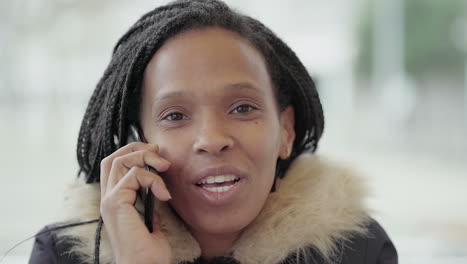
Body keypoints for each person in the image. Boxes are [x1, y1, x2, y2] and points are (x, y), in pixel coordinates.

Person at [29, 0, 398, 263]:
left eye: (242, 108)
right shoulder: (62, 254)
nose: (211, 139)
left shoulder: (358, 251)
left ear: (285, 131)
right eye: (174, 115)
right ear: (137, 141)